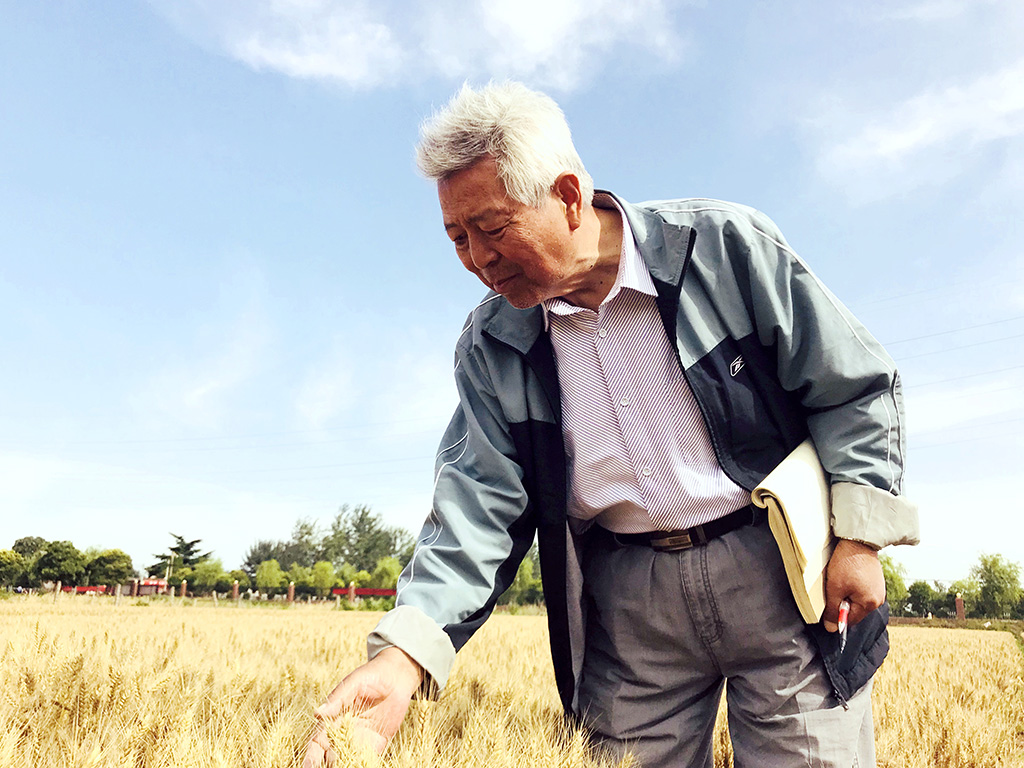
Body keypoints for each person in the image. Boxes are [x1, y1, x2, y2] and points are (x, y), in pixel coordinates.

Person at [303, 81, 919, 768]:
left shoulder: (722, 247)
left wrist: (860, 538)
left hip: (781, 574)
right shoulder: (492, 346)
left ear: (568, 196)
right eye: (457, 237)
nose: (479, 259)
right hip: (628, 607)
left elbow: (855, 386)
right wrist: (403, 657)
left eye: (495, 228)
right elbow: (477, 508)